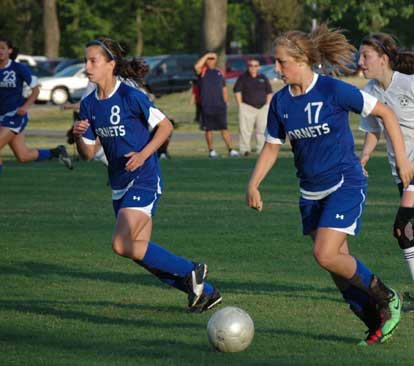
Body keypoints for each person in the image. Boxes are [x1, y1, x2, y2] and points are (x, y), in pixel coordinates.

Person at [246, 25, 413, 345]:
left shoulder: (333, 90)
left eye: (281, 62)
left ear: (302, 60)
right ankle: (374, 322)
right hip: (310, 192)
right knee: (338, 270)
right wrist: (254, 184)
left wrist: (404, 160)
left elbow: (386, 114)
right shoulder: (280, 103)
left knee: (325, 254)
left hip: (344, 183)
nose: (276, 69)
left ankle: (385, 295)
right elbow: (271, 146)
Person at [73, 37, 221, 312]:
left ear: (111, 64)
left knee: (121, 244)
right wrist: (80, 136)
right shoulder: (89, 105)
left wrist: (143, 154)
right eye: (86, 60)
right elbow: (88, 154)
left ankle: (193, 269)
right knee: (141, 252)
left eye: (93, 60)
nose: (87, 66)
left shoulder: (131, 96)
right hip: (118, 185)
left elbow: (165, 127)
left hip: (144, 180)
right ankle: (207, 293)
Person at [358, 33, 414, 309]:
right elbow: (372, 132)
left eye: (365, 56)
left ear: (383, 59)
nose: (360, 62)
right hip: (400, 173)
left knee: (404, 228)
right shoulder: (369, 91)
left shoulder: (409, 83)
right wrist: (363, 159)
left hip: (413, 168)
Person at [0, 37, 73, 173]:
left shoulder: (18, 68)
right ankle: (56, 152)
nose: (0, 51)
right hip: (2, 116)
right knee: (23, 156)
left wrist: (25, 107)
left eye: (2, 48)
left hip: (14, 115)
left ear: (9, 50)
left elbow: (36, 89)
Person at [194, 52, 239, 158]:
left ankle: (231, 149)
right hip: (207, 105)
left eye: (213, 59)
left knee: (224, 128)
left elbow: (224, 88)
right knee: (208, 129)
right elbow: (196, 67)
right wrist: (206, 56)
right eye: (209, 59)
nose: (211, 60)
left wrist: (226, 102)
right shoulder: (203, 71)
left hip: (220, 105)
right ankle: (211, 150)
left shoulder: (219, 72)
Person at [233, 57, 273, 156]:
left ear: (258, 67)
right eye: (251, 65)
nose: (253, 68)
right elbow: (237, 91)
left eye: (255, 66)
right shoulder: (243, 77)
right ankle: (245, 150)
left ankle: (261, 149)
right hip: (247, 107)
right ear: (248, 67)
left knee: (262, 130)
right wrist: (240, 106)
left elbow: (269, 92)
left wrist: (267, 105)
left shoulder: (263, 77)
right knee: (245, 130)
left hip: (262, 108)